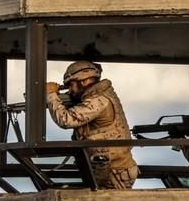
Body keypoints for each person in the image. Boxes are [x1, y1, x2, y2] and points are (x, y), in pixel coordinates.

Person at [45, 61, 138, 189]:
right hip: (107, 169)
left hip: (114, 172)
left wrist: (51, 95)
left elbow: (66, 120)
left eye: (71, 85)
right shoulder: (95, 97)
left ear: (85, 80)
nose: (70, 90)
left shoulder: (98, 100)